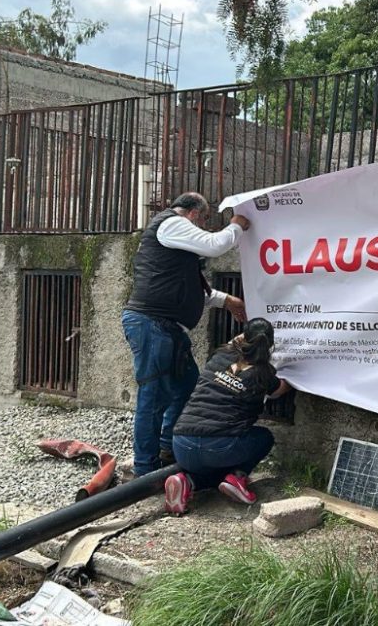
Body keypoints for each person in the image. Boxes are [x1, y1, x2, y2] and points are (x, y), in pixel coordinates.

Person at [121, 192, 251, 479]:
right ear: (194, 213)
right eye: (205, 220)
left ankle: (166, 449)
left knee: (186, 387)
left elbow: (190, 292)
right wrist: (238, 223)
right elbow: (216, 245)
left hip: (167, 328)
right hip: (153, 324)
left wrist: (227, 301)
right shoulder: (171, 224)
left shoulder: (178, 248)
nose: (203, 226)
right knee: (153, 397)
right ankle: (145, 469)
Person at [162, 318, 290, 514]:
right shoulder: (263, 374)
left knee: (215, 468)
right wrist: (295, 378)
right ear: (270, 345)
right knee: (264, 437)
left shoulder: (219, 356)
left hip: (181, 443)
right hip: (220, 448)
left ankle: (187, 481)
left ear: (243, 337)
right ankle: (237, 477)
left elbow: (235, 343)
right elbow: (278, 390)